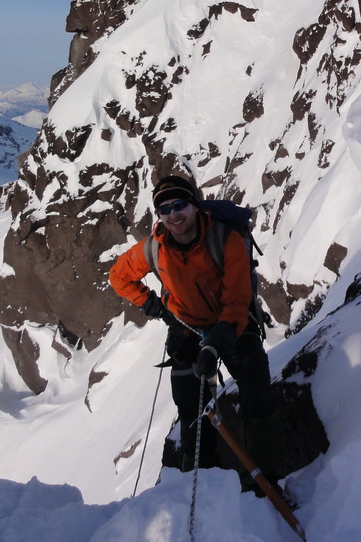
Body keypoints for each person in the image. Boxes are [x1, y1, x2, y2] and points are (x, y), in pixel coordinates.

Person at [109, 174, 281, 484]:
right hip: (184, 329)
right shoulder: (154, 248)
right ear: (158, 215)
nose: (173, 215)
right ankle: (198, 488)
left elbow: (238, 299)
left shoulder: (225, 240)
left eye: (180, 205)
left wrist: (217, 342)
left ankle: (266, 480)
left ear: (194, 205)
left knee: (257, 395)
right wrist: (150, 303)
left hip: (234, 325)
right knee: (192, 412)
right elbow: (118, 276)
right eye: (165, 209)